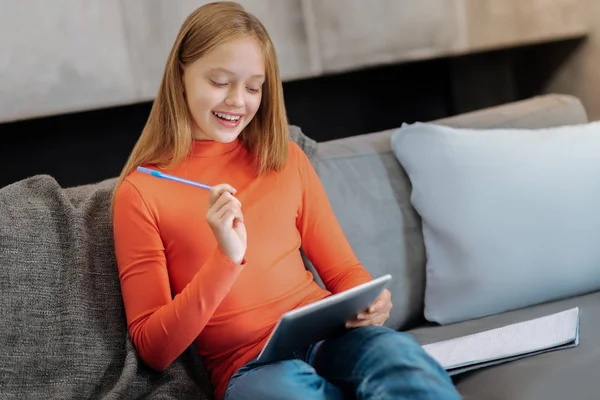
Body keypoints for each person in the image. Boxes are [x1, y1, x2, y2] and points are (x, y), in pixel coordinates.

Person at [111, 2, 461, 399]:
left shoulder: (284, 158)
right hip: (249, 366)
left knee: (401, 358)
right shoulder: (140, 193)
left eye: (253, 87)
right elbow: (154, 350)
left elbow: (343, 270)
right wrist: (224, 260)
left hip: (329, 337)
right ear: (181, 76)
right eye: (220, 81)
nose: (237, 101)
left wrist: (372, 301)